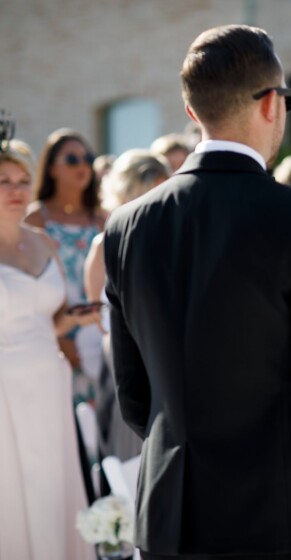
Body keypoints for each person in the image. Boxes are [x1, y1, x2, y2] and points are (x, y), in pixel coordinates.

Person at [103, 25, 291, 560]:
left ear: (193, 114)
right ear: (270, 105)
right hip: (281, 518)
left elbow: (136, 399)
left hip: (171, 520)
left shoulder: (126, 226)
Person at [0, 139, 94, 559]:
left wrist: (73, 319)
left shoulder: (43, 241)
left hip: (51, 381)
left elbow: (47, 322)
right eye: (3, 181)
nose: (15, 189)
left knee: (54, 489)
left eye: (21, 179)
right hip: (6, 389)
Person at [84, 149, 170, 462]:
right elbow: (97, 312)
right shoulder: (105, 244)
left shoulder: (170, 240)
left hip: (162, 358)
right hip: (123, 360)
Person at [25, 128, 107, 404]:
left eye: (87, 158)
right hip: (54, 342)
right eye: (72, 159)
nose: (82, 166)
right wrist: (60, 341)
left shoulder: (104, 219)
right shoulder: (35, 220)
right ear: (51, 169)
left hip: (101, 341)